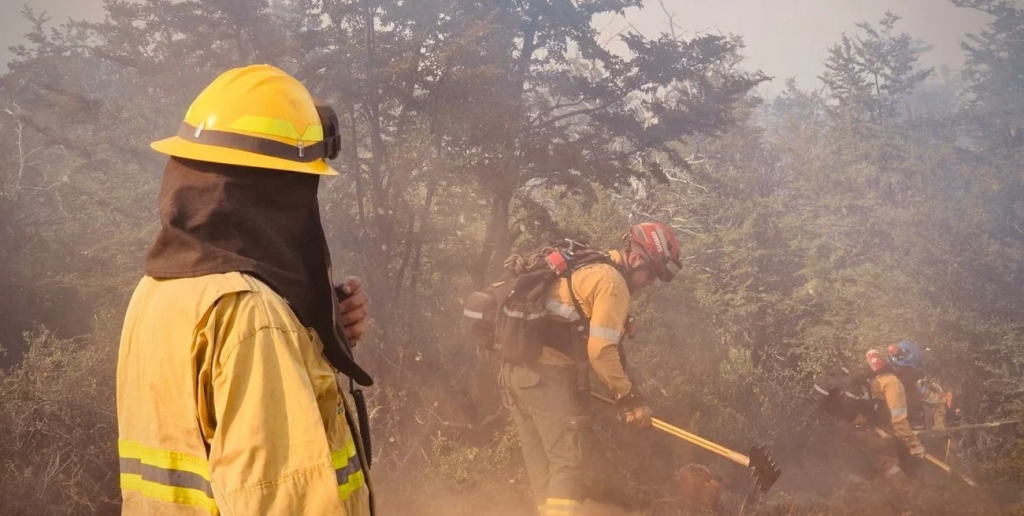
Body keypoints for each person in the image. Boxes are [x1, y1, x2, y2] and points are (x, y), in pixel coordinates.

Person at [116, 64, 375, 515]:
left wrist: (314, 337)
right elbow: (281, 498)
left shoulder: (156, 291)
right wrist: (283, 330)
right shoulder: (252, 317)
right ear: (278, 192)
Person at [498, 222, 683, 516]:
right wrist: (628, 398)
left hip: (518, 376)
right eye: (651, 273)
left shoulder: (592, 264)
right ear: (636, 259)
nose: (650, 283)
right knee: (569, 463)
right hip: (546, 376)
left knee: (543, 465)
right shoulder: (612, 282)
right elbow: (600, 351)